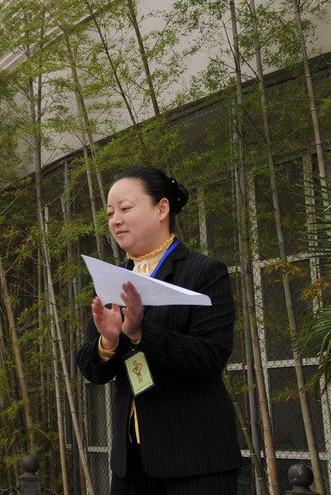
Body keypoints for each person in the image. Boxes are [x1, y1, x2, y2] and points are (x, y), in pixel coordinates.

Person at [75, 167, 241, 495]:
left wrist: (139, 332)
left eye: (125, 208)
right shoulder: (111, 278)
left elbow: (210, 357)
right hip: (131, 462)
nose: (115, 220)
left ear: (162, 208)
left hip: (196, 458)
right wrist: (108, 341)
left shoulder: (205, 272)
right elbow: (90, 369)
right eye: (110, 213)